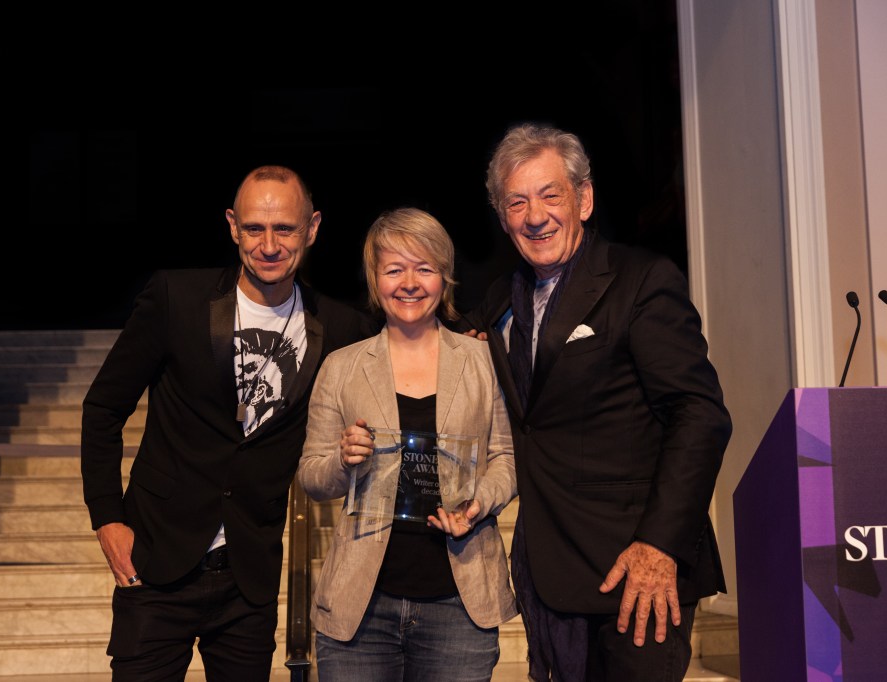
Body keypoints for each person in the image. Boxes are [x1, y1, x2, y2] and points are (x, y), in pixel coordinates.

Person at [81, 165, 376, 681]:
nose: (269, 244)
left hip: (249, 577)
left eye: (284, 228)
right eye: (255, 228)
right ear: (232, 226)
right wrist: (107, 518)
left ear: (312, 228)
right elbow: (104, 407)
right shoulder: (177, 298)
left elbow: (406, 340)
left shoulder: (340, 326)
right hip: (155, 564)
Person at [463, 124, 732, 681]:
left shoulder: (641, 282)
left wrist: (658, 546)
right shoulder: (497, 303)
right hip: (548, 576)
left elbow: (699, 415)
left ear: (584, 199)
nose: (534, 216)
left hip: (636, 575)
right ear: (502, 215)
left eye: (550, 194)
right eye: (517, 202)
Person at [297, 208, 517, 682]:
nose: (410, 283)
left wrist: (480, 501)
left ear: (445, 277)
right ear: (376, 281)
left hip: (459, 605)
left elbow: (507, 457)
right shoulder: (342, 367)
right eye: (394, 269)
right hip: (361, 607)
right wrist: (341, 458)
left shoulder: (484, 360)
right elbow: (312, 476)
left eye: (425, 268)